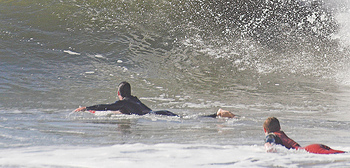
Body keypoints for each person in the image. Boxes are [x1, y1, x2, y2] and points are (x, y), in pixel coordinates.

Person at [73, 81, 235, 118]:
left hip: (158, 116)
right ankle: (216, 115)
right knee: (186, 119)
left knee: (188, 120)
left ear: (118, 93)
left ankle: (218, 114)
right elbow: (114, 109)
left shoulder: (123, 102)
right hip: (159, 113)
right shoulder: (132, 100)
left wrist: (86, 108)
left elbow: (107, 107)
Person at [263, 117, 350, 154]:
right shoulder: (281, 134)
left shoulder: (270, 135)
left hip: (309, 151)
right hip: (313, 147)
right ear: (280, 127)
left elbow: (269, 145)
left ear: (265, 130)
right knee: (346, 153)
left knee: (345, 154)